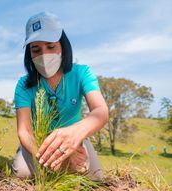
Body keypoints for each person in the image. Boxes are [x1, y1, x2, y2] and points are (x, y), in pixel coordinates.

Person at [12, 12, 109, 181]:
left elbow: (100, 111)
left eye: (51, 46)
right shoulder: (24, 85)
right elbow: (24, 131)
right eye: (36, 50)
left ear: (63, 46)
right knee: (23, 174)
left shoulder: (81, 73)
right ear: (30, 54)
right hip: (39, 144)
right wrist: (49, 158)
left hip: (76, 139)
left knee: (96, 180)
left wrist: (76, 133)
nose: (44, 54)